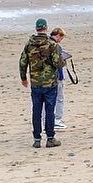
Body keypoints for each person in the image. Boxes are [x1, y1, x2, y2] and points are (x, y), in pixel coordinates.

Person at [20, 18, 65, 148]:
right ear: (46, 28)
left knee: (36, 110)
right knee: (50, 110)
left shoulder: (29, 44)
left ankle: (37, 139)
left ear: (36, 29)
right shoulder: (52, 44)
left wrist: (23, 78)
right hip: (50, 83)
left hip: (36, 83)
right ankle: (50, 138)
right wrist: (64, 62)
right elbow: (57, 62)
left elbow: (23, 62)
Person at [51, 27, 72, 130]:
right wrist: (64, 60)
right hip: (57, 76)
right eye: (61, 38)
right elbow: (58, 63)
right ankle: (57, 120)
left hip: (46, 78)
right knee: (59, 98)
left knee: (48, 100)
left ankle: (47, 120)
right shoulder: (55, 46)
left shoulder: (45, 44)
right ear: (58, 35)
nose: (60, 40)